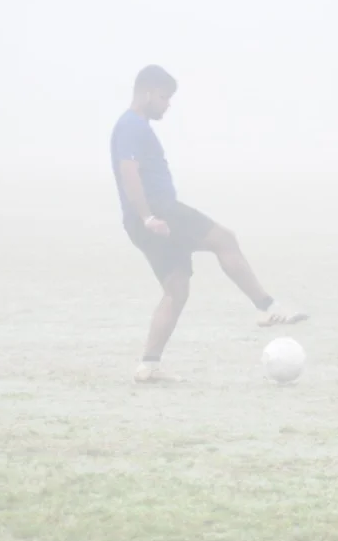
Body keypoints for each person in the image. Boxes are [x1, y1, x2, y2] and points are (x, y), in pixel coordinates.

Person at [111, 65, 307, 382]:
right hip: (158, 211)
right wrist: (149, 216)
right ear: (147, 93)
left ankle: (149, 364)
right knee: (225, 240)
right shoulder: (132, 126)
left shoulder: (134, 126)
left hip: (143, 220)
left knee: (176, 291)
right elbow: (128, 172)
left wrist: (143, 219)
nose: (167, 105)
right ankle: (266, 307)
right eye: (164, 97)